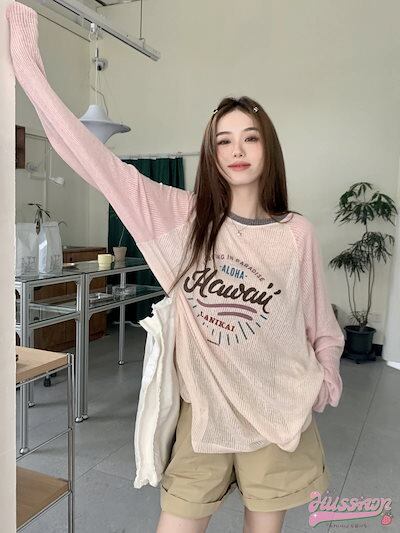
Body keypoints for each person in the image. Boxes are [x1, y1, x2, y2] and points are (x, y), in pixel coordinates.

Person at [6, 3, 345, 532]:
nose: (236, 150)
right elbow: (91, 159)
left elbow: (319, 324)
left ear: (268, 148)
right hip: (203, 417)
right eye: (223, 140)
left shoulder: (295, 233)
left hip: (280, 414)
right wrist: (26, 63)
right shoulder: (180, 218)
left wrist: (325, 380)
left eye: (250, 137)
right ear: (211, 153)